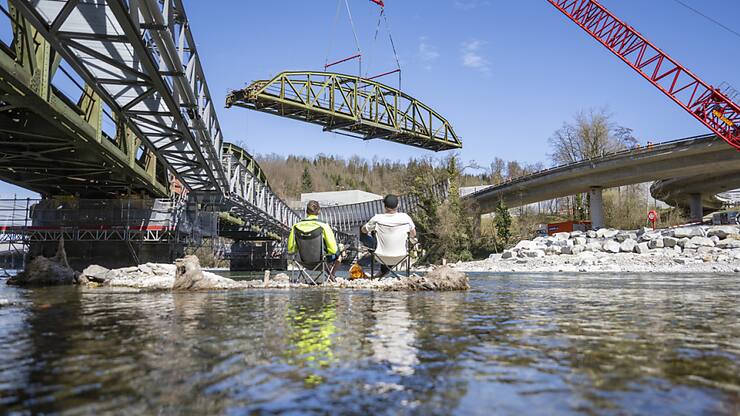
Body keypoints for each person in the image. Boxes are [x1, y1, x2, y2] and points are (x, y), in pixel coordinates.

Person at [360, 194, 416, 277]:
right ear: (398, 205)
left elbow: (364, 230)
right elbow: (413, 234)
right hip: (400, 255)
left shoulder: (377, 218)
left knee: (365, 231)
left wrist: (366, 228)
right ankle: (382, 272)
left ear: (385, 206)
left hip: (381, 255)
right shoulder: (405, 218)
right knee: (391, 242)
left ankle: (367, 262)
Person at [287, 200, 341, 277]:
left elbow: (290, 249)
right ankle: (331, 276)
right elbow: (333, 250)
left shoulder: (296, 226)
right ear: (319, 211)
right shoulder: (323, 225)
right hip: (320, 262)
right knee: (339, 255)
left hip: (302, 262)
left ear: (306, 212)